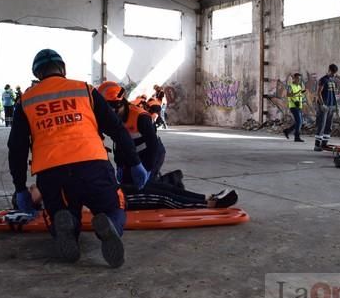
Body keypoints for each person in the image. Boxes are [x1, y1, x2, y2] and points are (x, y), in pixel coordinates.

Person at [8, 49, 149, 268]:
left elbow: (16, 148)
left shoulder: (26, 101)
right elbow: (116, 129)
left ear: (37, 74)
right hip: (93, 166)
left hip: (52, 174)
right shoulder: (85, 90)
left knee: (60, 213)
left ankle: (68, 225)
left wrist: (20, 187)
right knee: (115, 207)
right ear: (63, 69)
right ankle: (109, 223)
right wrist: (135, 163)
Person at [98, 81, 237, 209]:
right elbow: (119, 144)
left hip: (151, 153)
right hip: (132, 155)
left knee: (147, 187)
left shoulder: (141, 118)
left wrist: (145, 169)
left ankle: (208, 202)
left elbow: (152, 146)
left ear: (119, 105)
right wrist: (121, 164)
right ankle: (174, 181)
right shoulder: (108, 119)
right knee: (145, 186)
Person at [314, 64, 338, 151]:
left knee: (328, 126)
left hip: (331, 106)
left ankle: (324, 144)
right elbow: (319, 92)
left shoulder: (332, 80)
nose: (333, 74)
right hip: (324, 106)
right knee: (321, 125)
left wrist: (334, 105)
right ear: (329, 70)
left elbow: (333, 94)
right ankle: (317, 145)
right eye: (332, 72)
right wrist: (322, 104)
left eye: (334, 73)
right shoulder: (323, 80)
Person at [283, 73, 306, 142]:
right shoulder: (290, 86)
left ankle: (287, 131)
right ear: (294, 78)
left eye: (300, 79)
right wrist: (298, 93)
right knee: (299, 121)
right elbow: (288, 94)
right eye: (298, 79)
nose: (299, 80)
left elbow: (299, 94)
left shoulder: (299, 86)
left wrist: (302, 93)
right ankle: (297, 137)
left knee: (300, 122)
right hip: (293, 106)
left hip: (299, 105)